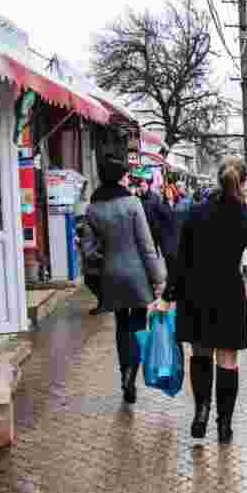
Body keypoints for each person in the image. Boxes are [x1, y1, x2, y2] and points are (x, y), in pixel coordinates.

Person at [163, 155, 247, 443]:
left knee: (200, 354)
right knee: (227, 361)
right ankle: (224, 426)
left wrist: (168, 296)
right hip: (228, 296)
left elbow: (180, 259)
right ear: (244, 182)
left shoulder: (195, 212)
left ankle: (201, 411)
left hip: (195, 294)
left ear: (218, 179)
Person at [81, 159, 166, 403]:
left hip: (111, 275)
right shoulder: (132, 203)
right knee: (138, 325)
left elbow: (88, 250)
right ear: (120, 177)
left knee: (121, 326)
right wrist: (158, 279)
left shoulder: (93, 209)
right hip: (137, 275)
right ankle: (131, 373)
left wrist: (104, 261)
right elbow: (146, 245)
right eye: (126, 176)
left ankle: (124, 373)